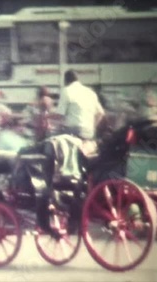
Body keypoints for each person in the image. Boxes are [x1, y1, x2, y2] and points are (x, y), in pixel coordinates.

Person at [35, 70, 105, 237]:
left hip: (73, 132)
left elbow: (59, 115)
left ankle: (48, 183)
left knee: (46, 144)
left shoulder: (67, 91)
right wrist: (92, 129)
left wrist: (47, 116)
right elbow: (101, 113)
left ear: (66, 81)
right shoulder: (90, 92)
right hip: (89, 135)